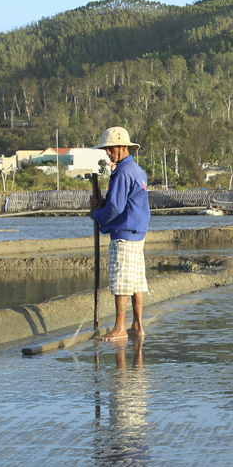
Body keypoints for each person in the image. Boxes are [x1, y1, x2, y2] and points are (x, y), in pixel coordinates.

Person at [90, 126, 150, 342]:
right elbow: (123, 203)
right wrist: (102, 205)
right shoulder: (136, 170)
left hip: (125, 234)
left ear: (123, 147)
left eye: (111, 148)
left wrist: (97, 214)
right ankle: (137, 325)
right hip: (137, 232)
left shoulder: (123, 172)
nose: (108, 152)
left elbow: (115, 207)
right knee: (135, 282)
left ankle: (120, 327)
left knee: (122, 281)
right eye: (107, 149)